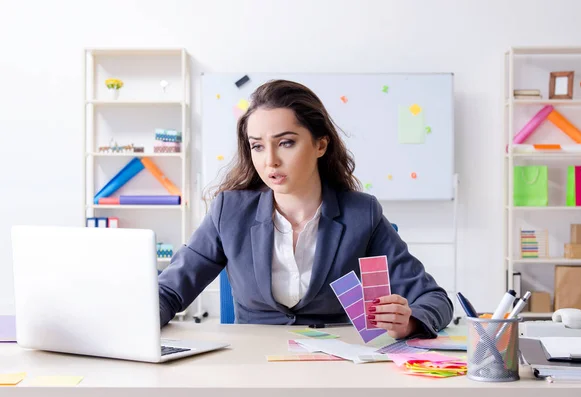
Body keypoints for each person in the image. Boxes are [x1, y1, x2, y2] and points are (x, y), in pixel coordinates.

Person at [158, 79, 453, 339]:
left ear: (320, 145)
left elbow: (434, 299)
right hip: (251, 367)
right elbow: (169, 291)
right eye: (257, 146)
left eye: (286, 143)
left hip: (334, 369)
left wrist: (410, 322)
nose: (270, 160)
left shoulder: (362, 214)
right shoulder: (229, 211)